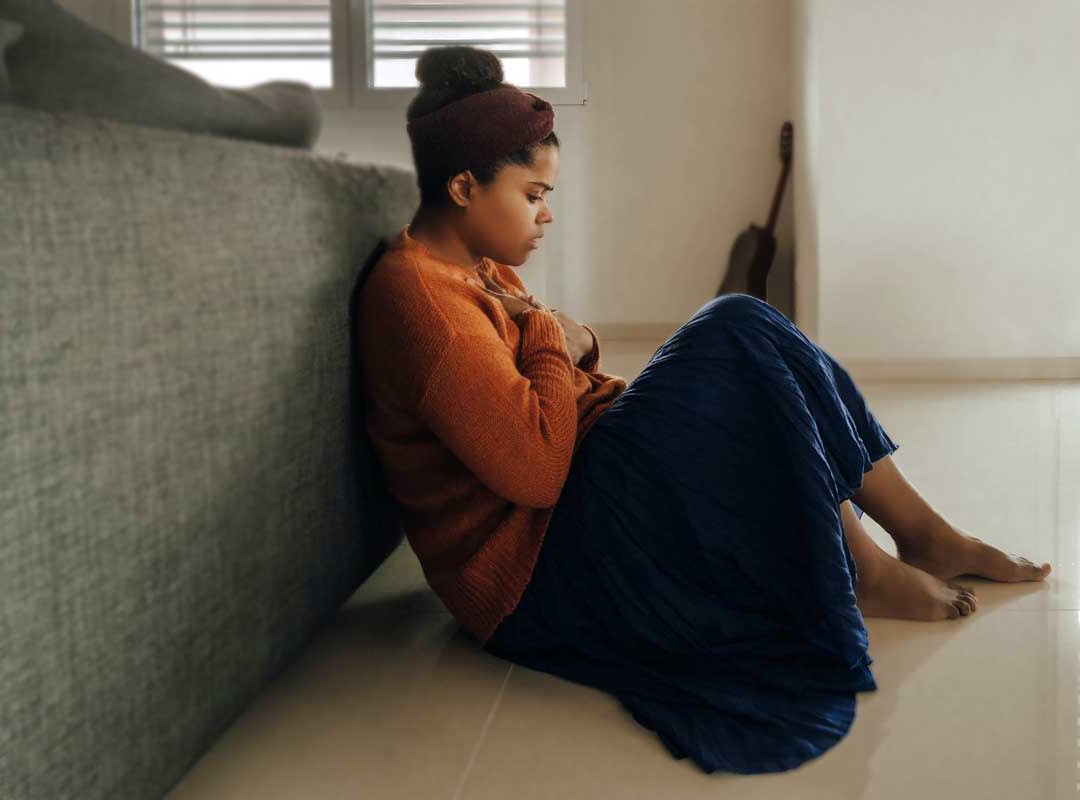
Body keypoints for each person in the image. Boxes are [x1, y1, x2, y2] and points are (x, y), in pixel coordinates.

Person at [352, 44, 1052, 775]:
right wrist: (549, 337)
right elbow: (534, 471)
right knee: (735, 330)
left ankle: (924, 534)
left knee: (746, 331)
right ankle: (863, 565)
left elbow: (552, 370)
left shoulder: (472, 266)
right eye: (532, 195)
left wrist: (576, 342)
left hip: (574, 500)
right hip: (536, 572)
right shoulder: (422, 303)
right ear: (464, 185)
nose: (546, 214)